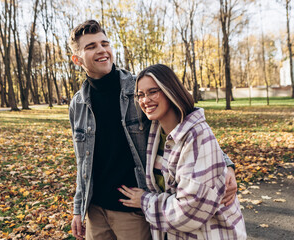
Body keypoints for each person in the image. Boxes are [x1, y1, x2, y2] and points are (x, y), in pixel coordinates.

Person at [68, 20, 238, 240]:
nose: (101, 50)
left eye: (104, 43)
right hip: (95, 210)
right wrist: (78, 208)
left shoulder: (138, 89)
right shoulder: (78, 104)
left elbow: (185, 119)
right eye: (91, 47)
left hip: (134, 208)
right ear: (77, 59)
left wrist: (226, 163)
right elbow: (83, 161)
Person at [118, 64, 246, 239]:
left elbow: (188, 212)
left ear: (170, 90)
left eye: (153, 92)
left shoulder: (196, 135)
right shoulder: (155, 131)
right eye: (140, 95)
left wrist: (144, 200)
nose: (145, 100)